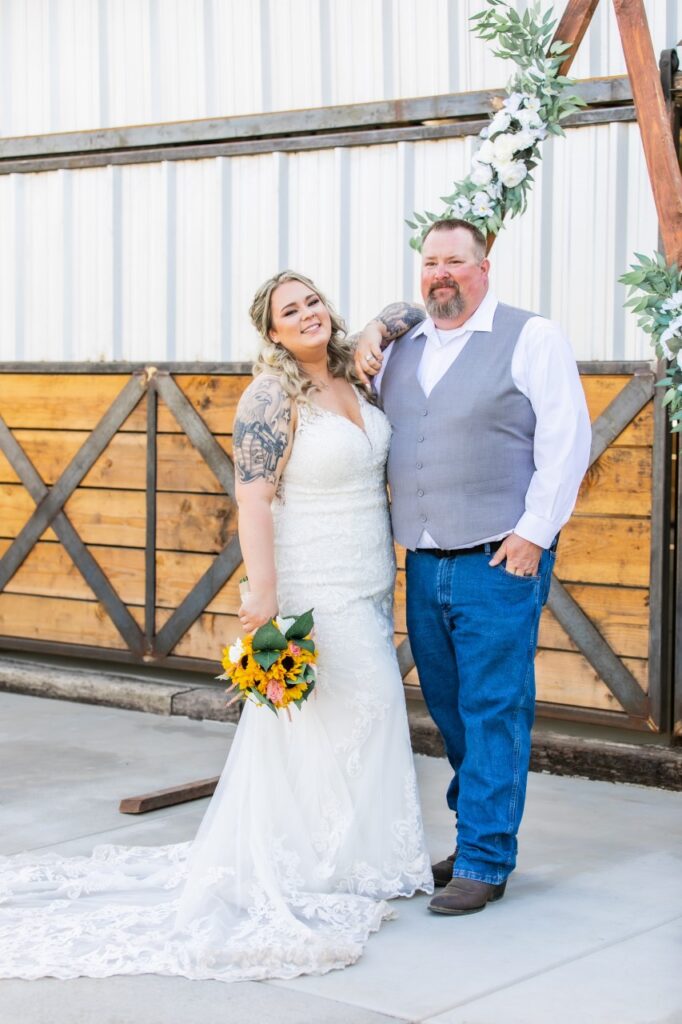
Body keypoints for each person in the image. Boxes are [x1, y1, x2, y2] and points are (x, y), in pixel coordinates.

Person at [0, 271, 432, 984]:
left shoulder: (359, 373)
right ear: (271, 332)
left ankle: (354, 857)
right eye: (290, 311)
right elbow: (254, 501)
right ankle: (330, 861)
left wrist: (380, 330)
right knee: (358, 712)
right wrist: (263, 594)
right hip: (310, 582)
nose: (307, 314)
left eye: (313, 301)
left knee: (359, 723)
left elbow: (408, 307)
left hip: (367, 579)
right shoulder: (271, 395)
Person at [354, 218, 591, 916]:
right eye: (430, 263)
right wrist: (376, 324)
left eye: (455, 261)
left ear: (485, 267)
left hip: (498, 558)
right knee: (453, 712)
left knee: (494, 708)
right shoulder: (401, 349)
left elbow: (566, 438)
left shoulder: (532, 336)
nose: (441, 274)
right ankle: (475, 836)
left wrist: (534, 533)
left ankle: (487, 857)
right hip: (425, 561)